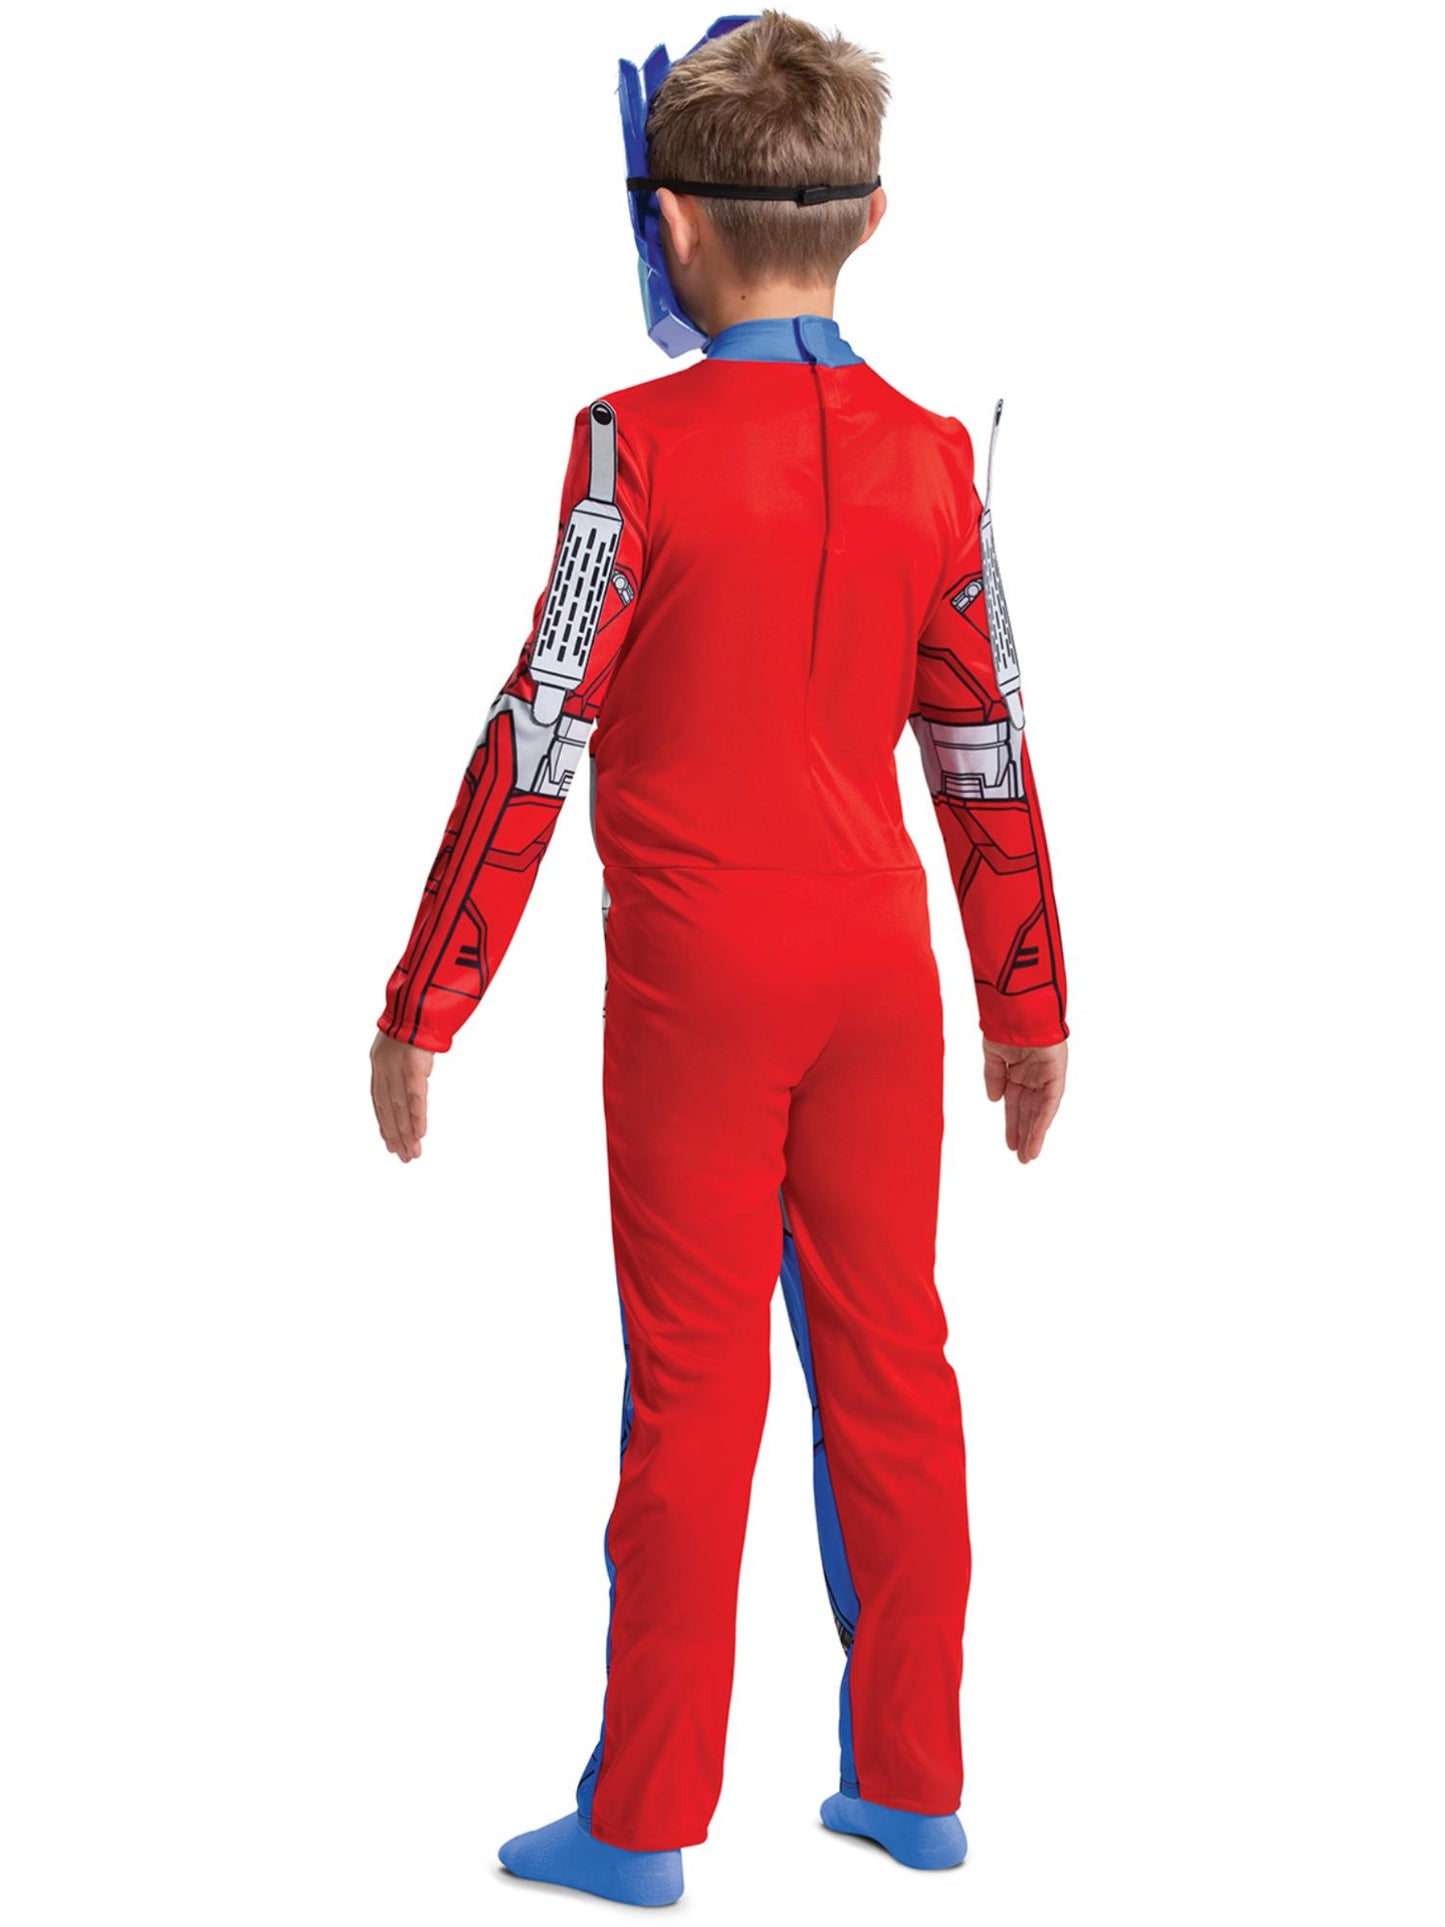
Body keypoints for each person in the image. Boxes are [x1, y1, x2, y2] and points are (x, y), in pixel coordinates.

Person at [369, 10, 1069, 1908]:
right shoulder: (936, 457)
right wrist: (1027, 1005)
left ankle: (642, 1821)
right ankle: (913, 1789)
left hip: (699, 977)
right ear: (874, 217)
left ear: (664, 224)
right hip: (881, 972)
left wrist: (427, 999)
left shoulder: (631, 446)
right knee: (896, 1370)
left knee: (692, 1394)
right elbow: (985, 737)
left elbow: (539, 727)